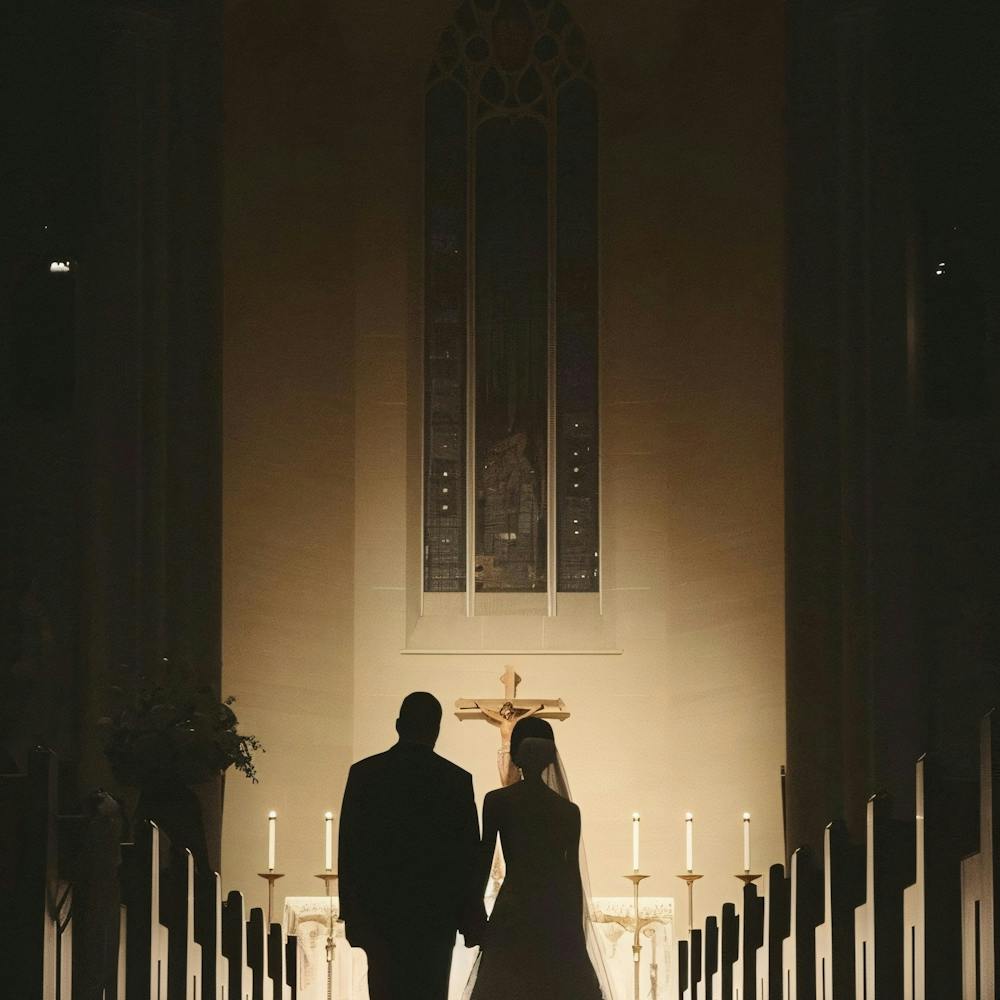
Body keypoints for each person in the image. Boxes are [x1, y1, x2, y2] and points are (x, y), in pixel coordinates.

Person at [338, 692, 484, 1000]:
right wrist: (470, 915)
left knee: (384, 990)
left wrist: (352, 913)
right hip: (435, 917)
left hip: (381, 914)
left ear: (398, 725)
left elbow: (350, 847)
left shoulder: (366, 774)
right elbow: (468, 855)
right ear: (436, 729)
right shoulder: (455, 780)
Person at [464, 719, 615, 1000]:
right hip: (555, 917)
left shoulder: (497, 801)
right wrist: (575, 937)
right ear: (550, 757)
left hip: (513, 914)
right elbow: (572, 878)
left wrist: (475, 919)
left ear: (517, 756)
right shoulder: (568, 811)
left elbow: (482, 862)